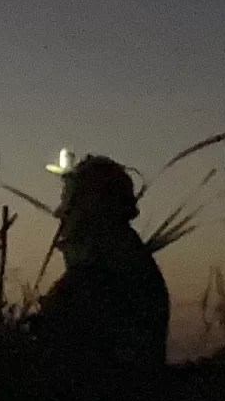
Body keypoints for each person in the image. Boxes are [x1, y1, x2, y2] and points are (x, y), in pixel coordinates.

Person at [34, 153, 170, 367]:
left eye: (69, 203)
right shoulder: (131, 265)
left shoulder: (100, 280)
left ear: (93, 208)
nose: (59, 214)